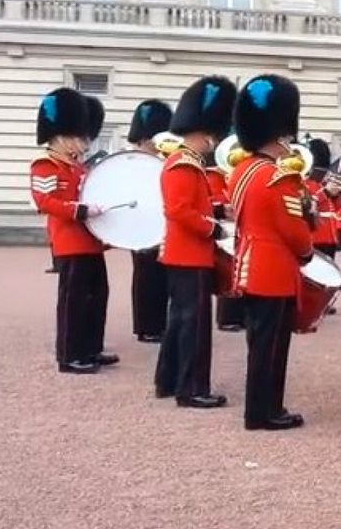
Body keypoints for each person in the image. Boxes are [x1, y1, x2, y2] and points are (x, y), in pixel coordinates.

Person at [228, 74, 314, 431]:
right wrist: (308, 252)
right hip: (273, 270)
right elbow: (293, 231)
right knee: (271, 347)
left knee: (259, 344)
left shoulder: (241, 171)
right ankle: (265, 412)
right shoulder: (276, 178)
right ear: (279, 136)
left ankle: (260, 409)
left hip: (249, 262)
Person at [155, 76, 236, 409]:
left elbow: (193, 205)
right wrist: (214, 229)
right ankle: (191, 389)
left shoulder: (189, 165)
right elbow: (178, 210)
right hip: (189, 255)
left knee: (180, 322)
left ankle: (170, 380)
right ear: (204, 135)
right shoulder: (183, 164)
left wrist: (217, 208)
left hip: (186, 255)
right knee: (194, 326)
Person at [30, 88, 115, 374]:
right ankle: (69, 355)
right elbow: (45, 202)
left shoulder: (78, 169)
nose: (84, 143)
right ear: (61, 137)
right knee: (73, 303)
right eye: (79, 137)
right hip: (69, 243)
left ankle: (91, 347)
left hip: (90, 243)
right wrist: (80, 210)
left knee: (98, 295)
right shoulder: (46, 166)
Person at [126, 99, 174, 343]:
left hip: (162, 222)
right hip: (140, 222)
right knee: (146, 275)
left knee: (162, 275)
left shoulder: (164, 160)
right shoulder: (131, 161)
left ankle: (157, 323)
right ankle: (147, 326)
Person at [206, 155, 245, 333]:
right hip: (225, 226)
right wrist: (224, 207)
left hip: (241, 226)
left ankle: (240, 314)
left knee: (242, 269)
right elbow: (213, 199)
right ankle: (227, 317)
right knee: (229, 270)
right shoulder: (215, 175)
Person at [306, 138, 341, 260]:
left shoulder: (325, 180)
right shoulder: (304, 180)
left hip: (330, 236)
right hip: (316, 235)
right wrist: (326, 192)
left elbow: (336, 208)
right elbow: (308, 203)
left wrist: (336, 194)